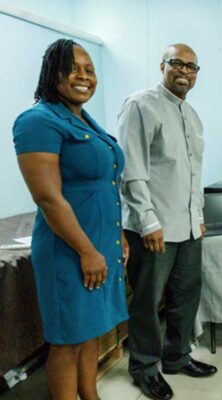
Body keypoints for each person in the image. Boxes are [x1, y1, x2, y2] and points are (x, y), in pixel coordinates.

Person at [12, 39, 128, 400]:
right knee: (67, 339)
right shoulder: (37, 121)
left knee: (90, 330)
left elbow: (105, 185)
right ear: (53, 73)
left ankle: (89, 395)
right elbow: (47, 196)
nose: (84, 76)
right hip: (70, 250)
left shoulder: (83, 119)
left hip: (99, 243)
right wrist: (87, 251)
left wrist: (117, 236)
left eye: (90, 70)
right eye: (73, 68)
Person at [118, 44, 216, 400]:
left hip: (188, 227)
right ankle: (144, 367)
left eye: (192, 66)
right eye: (177, 63)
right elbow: (132, 170)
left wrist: (199, 217)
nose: (185, 71)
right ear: (162, 65)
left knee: (185, 298)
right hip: (154, 229)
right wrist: (147, 222)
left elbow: (192, 172)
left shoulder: (191, 114)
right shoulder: (140, 105)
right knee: (147, 301)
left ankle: (177, 356)